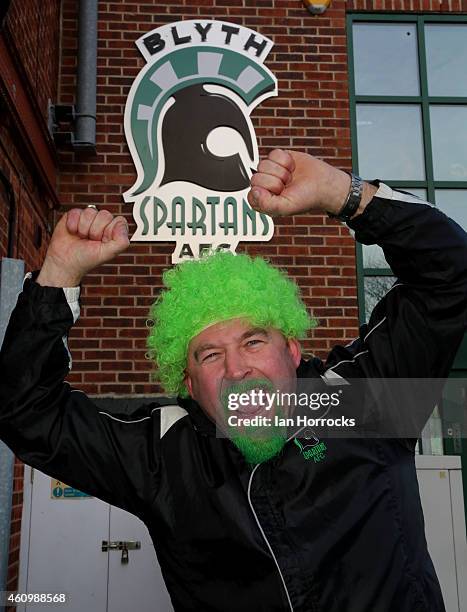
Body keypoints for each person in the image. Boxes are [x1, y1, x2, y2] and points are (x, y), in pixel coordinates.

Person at [1, 150, 466, 612]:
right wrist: (58, 275)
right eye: (209, 354)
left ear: (292, 349)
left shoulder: (366, 402)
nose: (236, 369)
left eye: (253, 341)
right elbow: (25, 411)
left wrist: (343, 194)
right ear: (187, 380)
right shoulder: (163, 455)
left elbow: (451, 275)